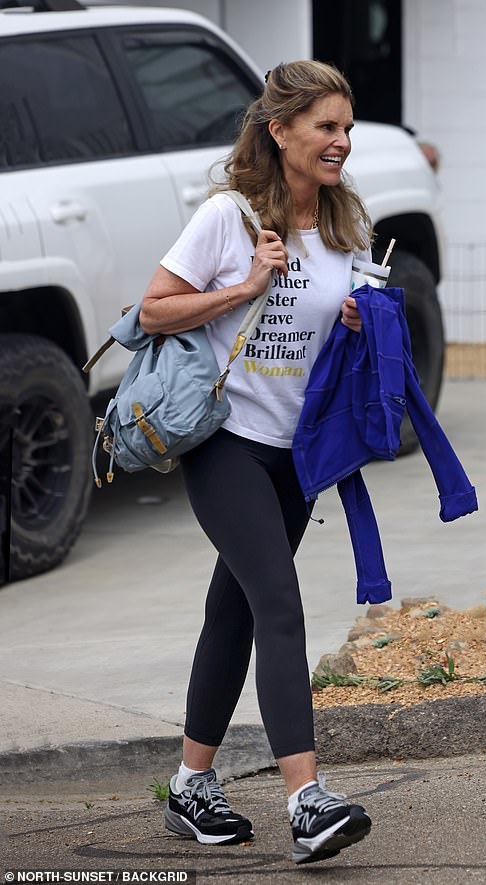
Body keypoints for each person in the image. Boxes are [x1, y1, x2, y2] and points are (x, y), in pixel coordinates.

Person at [139, 60, 373, 866]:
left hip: (294, 455)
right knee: (279, 601)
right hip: (226, 442)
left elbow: (336, 332)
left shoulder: (347, 228)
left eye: (346, 127)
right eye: (326, 127)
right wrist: (243, 287)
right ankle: (306, 801)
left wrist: (354, 322)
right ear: (280, 131)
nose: (341, 141)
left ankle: (190, 786)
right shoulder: (227, 217)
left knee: (234, 612)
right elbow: (153, 307)